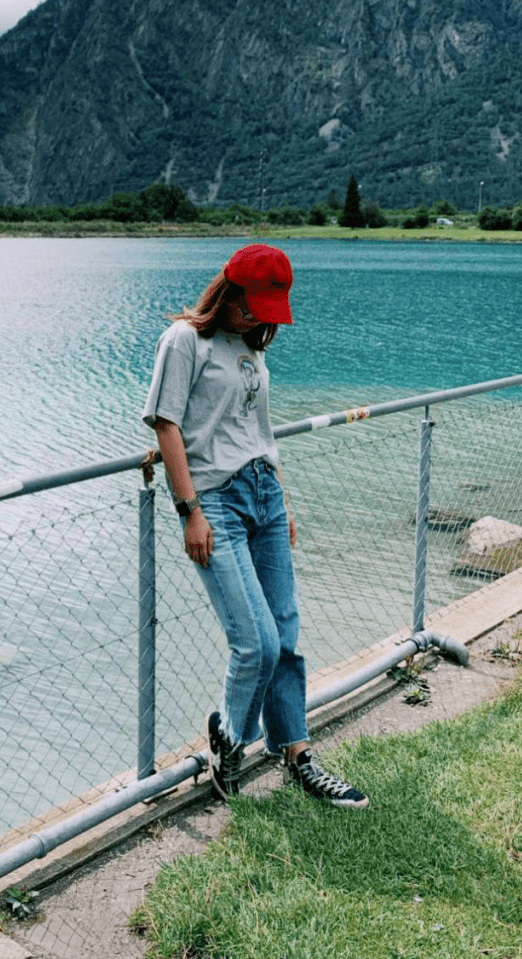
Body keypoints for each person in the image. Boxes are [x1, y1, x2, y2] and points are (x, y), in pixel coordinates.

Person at [142, 242, 369, 808]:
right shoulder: (184, 341)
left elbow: (257, 430)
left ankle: (297, 756)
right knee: (257, 644)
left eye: (268, 311)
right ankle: (232, 740)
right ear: (228, 291)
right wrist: (188, 510)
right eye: (252, 307)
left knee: (286, 638)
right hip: (214, 502)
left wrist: (283, 503)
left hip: (264, 495)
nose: (259, 319)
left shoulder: (250, 347)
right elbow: (167, 425)